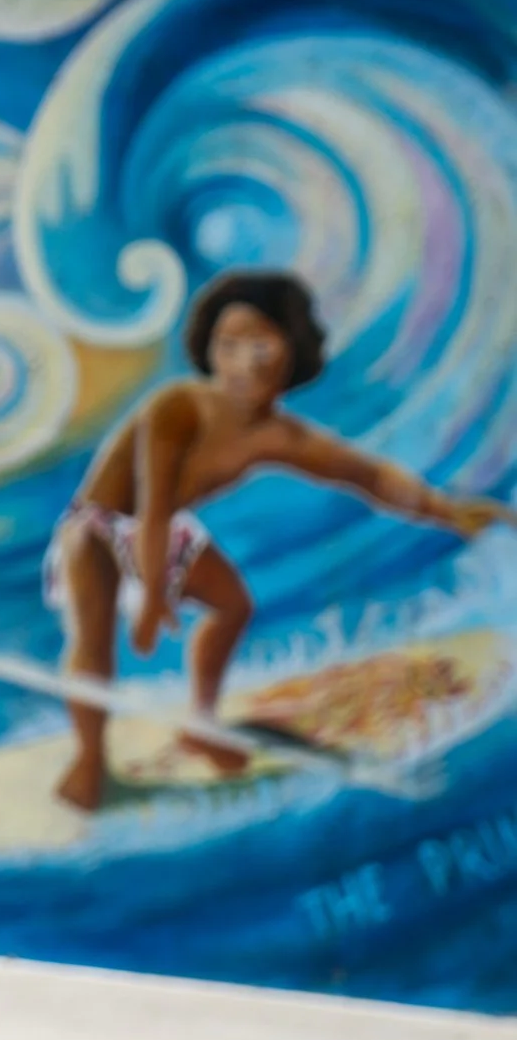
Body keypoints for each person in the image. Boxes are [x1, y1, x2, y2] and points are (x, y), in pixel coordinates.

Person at [50, 270, 516, 811]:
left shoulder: (279, 436)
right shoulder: (179, 406)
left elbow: (369, 476)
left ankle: (201, 725)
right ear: (209, 350)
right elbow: (151, 508)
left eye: (260, 344)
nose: (244, 360)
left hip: (161, 529)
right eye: (228, 345)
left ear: (293, 350)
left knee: (231, 606)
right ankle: (87, 761)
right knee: (93, 629)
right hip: (99, 525)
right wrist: (153, 595)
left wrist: (446, 510)